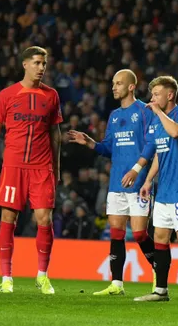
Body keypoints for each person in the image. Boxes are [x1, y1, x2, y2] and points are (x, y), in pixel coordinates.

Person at [67, 69, 156, 295]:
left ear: (131, 87)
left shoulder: (145, 111)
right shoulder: (114, 116)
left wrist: (137, 170)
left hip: (138, 183)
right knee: (116, 232)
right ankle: (117, 284)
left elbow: (151, 144)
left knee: (138, 234)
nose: (113, 87)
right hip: (117, 183)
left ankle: (159, 271)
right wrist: (91, 143)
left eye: (118, 83)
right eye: (113, 83)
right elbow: (108, 148)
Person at [0, 46, 62, 294]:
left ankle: (42, 275)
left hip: (42, 167)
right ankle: (6, 277)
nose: (42, 67)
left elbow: (55, 133)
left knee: (45, 219)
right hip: (13, 166)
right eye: (38, 63)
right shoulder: (7, 95)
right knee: (8, 219)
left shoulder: (51, 96)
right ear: (25, 64)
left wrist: (56, 167)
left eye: (44, 63)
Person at [128, 76, 178, 305]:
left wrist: (160, 114)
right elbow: (160, 152)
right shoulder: (155, 122)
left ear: (170, 95)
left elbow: (177, 133)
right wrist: (148, 180)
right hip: (165, 190)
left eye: (157, 94)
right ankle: (160, 290)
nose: (152, 99)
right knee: (160, 237)